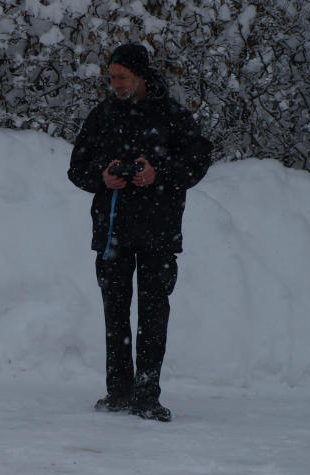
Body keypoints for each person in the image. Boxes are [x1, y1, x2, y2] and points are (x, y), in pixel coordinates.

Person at [67, 43, 212, 421]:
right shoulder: (102, 116)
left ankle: (147, 394)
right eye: (111, 76)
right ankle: (118, 392)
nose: (114, 83)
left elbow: (198, 161)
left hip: (158, 232)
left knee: (153, 313)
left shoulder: (172, 116)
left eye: (122, 77)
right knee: (115, 313)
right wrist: (102, 173)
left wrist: (157, 173)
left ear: (141, 76)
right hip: (112, 229)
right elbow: (76, 168)